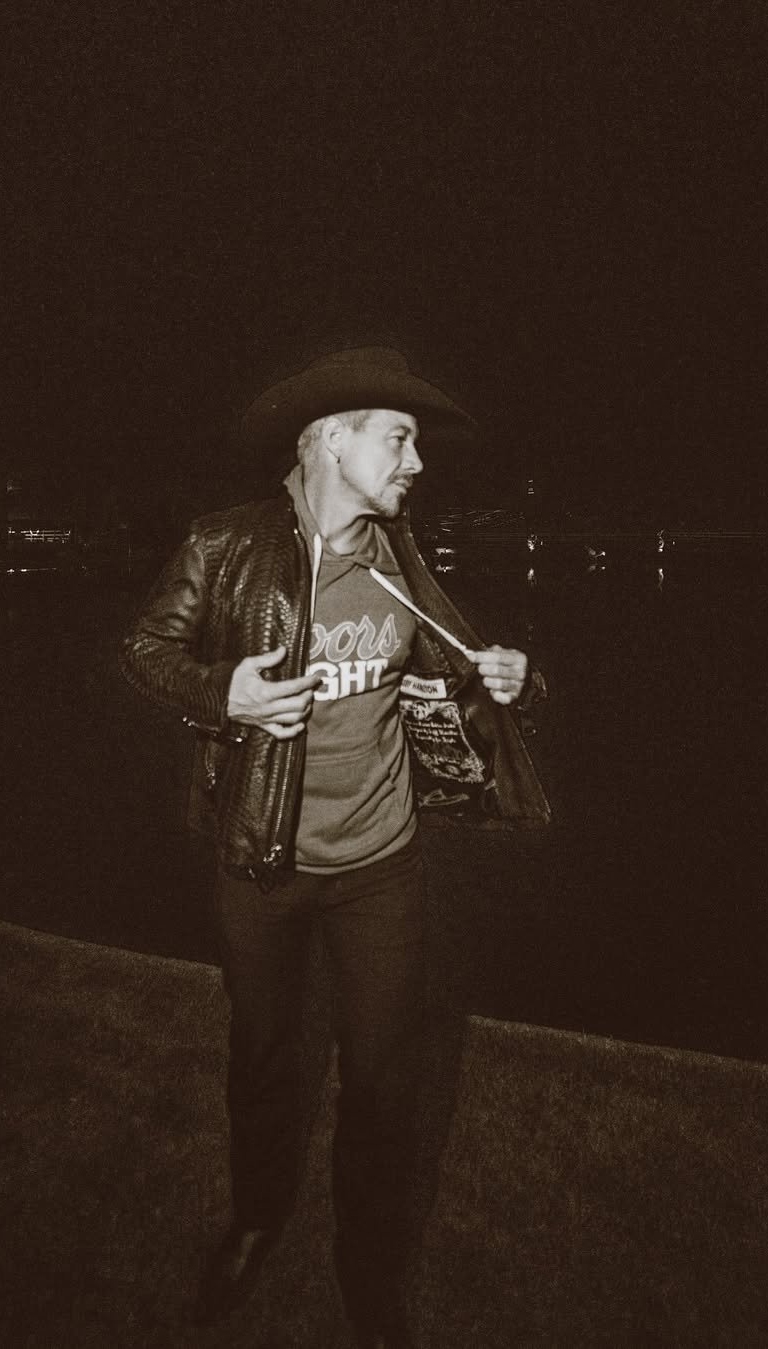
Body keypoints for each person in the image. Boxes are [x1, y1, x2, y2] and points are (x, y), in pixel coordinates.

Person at [120, 345, 550, 1348]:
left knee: (385, 1081)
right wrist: (221, 691)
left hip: (383, 867)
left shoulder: (401, 559)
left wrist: (514, 678)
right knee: (265, 1059)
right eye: (398, 438)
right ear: (329, 440)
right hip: (262, 864)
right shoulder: (225, 545)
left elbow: (461, 669)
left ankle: (368, 1269)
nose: (416, 462)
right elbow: (143, 652)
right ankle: (255, 1218)